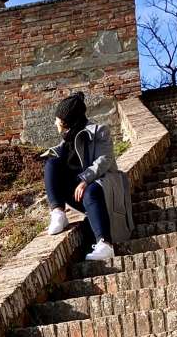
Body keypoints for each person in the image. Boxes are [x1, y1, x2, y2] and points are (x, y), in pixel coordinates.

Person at [42, 92, 134, 262]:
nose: (55, 122)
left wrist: (85, 179)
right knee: (51, 164)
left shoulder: (99, 132)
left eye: (57, 118)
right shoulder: (66, 140)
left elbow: (104, 160)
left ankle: (105, 244)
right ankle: (58, 213)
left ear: (65, 121)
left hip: (103, 187)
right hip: (78, 193)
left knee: (91, 191)